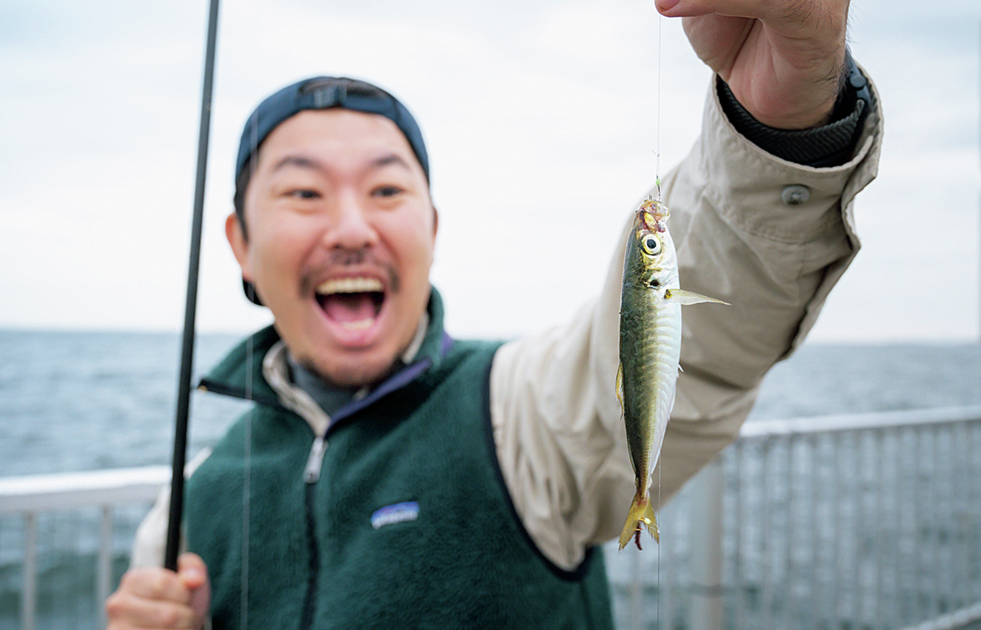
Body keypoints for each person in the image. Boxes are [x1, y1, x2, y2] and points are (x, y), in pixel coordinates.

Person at [106, 0, 882, 627]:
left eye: (386, 190)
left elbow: (706, 337)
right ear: (240, 245)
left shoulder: (519, 416)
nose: (350, 228)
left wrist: (777, 121)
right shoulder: (185, 510)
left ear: (432, 232)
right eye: (303, 193)